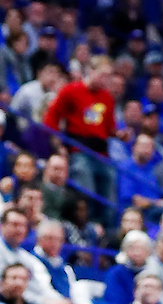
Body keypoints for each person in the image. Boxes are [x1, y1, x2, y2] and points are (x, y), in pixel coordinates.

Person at [42, 55, 117, 213]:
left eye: (109, 76)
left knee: (110, 183)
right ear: (90, 71)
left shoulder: (107, 97)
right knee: (85, 184)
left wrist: (121, 134)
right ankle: (85, 218)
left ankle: (104, 222)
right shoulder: (71, 90)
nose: (106, 80)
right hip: (79, 149)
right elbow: (52, 115)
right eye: (103, 75)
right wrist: (57, 142)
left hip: (101, 152)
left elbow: (110, 127)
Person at [0, 210, 58, 304]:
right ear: (2, 226)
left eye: (23, 226)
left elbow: (42, 287)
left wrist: (57, 301)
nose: (20, 230)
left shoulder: (28, 259)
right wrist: (42, 302)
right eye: (15, 225)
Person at [104, 231, 153, 304]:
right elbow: (114, 299)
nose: (137, 252)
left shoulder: (151, 274)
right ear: (125, 250)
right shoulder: (116, 273)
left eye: (142, 249)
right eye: (132, 248)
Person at [31, 221, 76, 301]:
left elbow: (74, 292)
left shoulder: (66, 268)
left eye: (58, 239)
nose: (54, 243)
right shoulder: (31, 261)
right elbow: (44, 290)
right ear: (39, 239)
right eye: (49, 238)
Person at [39, 158, 70, 224]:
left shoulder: (71, 195)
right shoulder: (38, 189)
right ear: (47, 170)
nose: (58, 173)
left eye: (62, 169)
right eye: (56, 169)